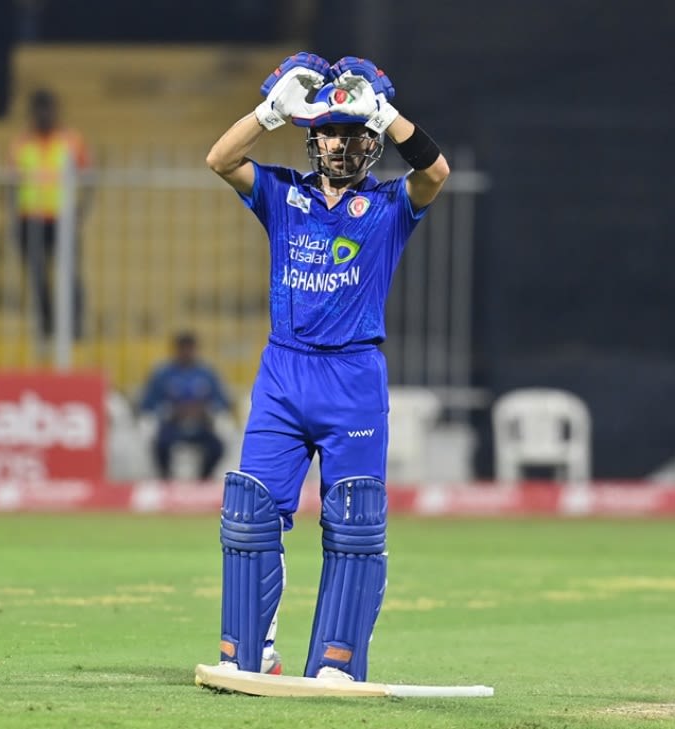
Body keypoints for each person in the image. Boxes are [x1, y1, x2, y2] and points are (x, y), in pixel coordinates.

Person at [204, 53, 449, 680]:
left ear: (371, 141)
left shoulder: (391, 205)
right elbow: (221, 159)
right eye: (329, 133)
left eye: (353, 133)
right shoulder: (283, 195)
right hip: (283, 375)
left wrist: (386, 114)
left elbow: (436, 171)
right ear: (313, 138)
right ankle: (247, 655)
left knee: (355, 522)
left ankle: (337, 663)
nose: (340, 144)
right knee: (250, 510)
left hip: (353, 379)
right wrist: (268, 113)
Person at [10, 88, 90, 340]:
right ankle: (46, 325)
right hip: (30, 218)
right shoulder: (22, 143)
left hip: (61, 218)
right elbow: (12, 183)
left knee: (69, 274)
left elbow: (88, 177)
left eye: (48, 109)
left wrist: (81, 210)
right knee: (37, 276)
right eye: (39, 110)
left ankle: (74, 325)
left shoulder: (71, 140)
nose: (44, 115)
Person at [138, 331, 233, 481]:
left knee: (216, 447)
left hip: (201, 425)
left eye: (190, 349)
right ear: (176, 350)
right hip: (172, 425)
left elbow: (222, 401)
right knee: (161, 445)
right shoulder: (163, 374)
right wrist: (168, 410)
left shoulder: (206, 373)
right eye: (183, 349)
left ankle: (203, 479)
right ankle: (166, 479)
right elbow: (148, 403)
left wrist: (207, 410)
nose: (186, 353)